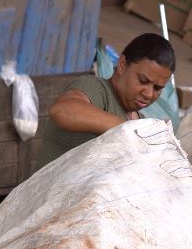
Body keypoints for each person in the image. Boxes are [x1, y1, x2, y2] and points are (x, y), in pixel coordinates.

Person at [37, 33, 176, 168]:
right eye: (143, 81)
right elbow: (63, 110)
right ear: (122, 65)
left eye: (158, 88)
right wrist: (130, 131)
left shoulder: (138, 120)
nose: (149, 94)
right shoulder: (95, 88)